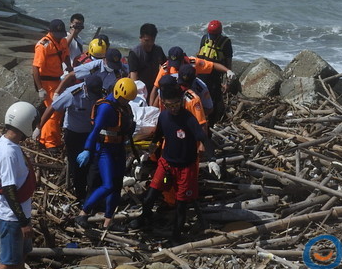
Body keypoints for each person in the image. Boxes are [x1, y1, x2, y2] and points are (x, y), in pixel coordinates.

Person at [129, 82, 218, 242]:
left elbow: (204, 138)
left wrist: (212, 159)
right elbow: (158, 137)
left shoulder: (189, 119)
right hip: (166, 166)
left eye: (177, 104)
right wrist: (146, 155)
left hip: (185, 169)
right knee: (150, 196)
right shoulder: (163, 116)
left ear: (182, 100)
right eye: (169, 105)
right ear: (163, 102)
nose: (173, 108)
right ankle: (144, 218)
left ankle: (176, 236)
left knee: (181, 205)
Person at [74, 78, 137, 231]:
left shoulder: (124, 107)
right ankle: (83, 213)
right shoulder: (106, 108)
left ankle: (109, 221)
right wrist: (88, 149)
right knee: (107, 185)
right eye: (124, 98)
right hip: (105, 149)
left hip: (119, 148)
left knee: (116, 186)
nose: (126, 102)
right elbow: (95, 130)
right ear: (117, 93)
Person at [0, 102, 39, 269]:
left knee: (20, 258)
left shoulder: (5, 142)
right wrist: (23, 223)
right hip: (11, 219)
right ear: (25, 123)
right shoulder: (8, 152)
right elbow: (8, 189)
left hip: (20, 214)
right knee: (8, 264)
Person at [35, 75, 104, 200]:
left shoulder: (100, 94)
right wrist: (39, 128)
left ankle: (92, 195)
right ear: (86, 88)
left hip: (92, 134)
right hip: (74, 135)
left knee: (93, 166)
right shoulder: (72, 94)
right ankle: (80, 196)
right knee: (77, 167)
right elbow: (52, 107)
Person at [148, 46, 234, 111]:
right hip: (173, 98)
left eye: (178, 64)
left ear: (183, 58)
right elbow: (155, 89)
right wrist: (151, 109)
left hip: (191, 92)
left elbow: (212, 65)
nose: (176, 67)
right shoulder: (166, 68)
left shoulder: (193, 62)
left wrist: (227, 71)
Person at [32, 19, 72, 153]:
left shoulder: (63, 41)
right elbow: (35, 68)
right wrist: (40, 89)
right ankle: (50, 143)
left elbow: (65, 56)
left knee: (59, 111)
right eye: (57, 33)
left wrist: (70, 71)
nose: (60, 36)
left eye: (61, 33)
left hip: (58, 80)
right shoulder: (43, 45)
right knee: (54, 111)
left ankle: (45, 138)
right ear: (51, 32)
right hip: (46, 82)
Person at [197, 20, 234, 126]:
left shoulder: (226, 43)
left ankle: (213, 121)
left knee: (214, 98)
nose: (212, 37)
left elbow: (228, 62)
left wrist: (227, 82)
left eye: (214, 35)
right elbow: (199, 56)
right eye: (210, 34)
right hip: (201, 75)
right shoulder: (204, 38)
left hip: (215, 76)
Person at [55, 47, 127, 96]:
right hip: (87, 94)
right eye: (111, 65)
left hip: (103, 96)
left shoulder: (118, 69)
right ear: (104, 59)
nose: (113, 68)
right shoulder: (94, 66)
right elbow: (71, 75)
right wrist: (57, 93)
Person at [128, 23, 167, 101]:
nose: (150, 44)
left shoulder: (158, 50)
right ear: (140, 38)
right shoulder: (135, 53)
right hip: (141, 91)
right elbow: (134, 78)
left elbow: (166, 66)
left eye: (152, 40)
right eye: (147, 40)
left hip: (155, 88)